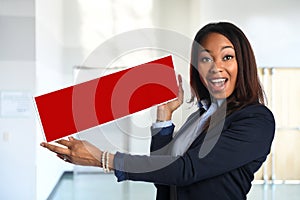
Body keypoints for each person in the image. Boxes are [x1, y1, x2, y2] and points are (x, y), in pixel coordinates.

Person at [41, 22, 275, 200]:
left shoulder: (256, 120)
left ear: (242, 62)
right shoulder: (201, 114)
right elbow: (162, 168)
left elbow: (186, 170)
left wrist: (103, 159)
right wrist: (164, 117)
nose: (216, 68)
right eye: (205, 59)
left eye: (227, 57)